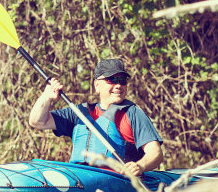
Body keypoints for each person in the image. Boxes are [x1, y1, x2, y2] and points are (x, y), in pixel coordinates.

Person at [28, 58, 164, 176]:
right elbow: (37, 122)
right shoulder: (78, 112)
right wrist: (46, 96)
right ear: (97, 85)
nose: (118, 85)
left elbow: (155, 153)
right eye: (112, 80)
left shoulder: (133, 113)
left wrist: (140, 166)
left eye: (122, 81)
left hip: (117, 181)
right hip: (79, 178)